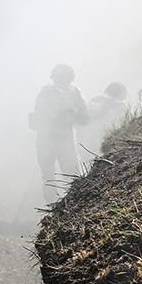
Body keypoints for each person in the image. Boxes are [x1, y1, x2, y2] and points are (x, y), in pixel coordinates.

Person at [29, 63, 88, 202]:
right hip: (61, 140)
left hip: (47, 140)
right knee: (70, 176)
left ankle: (54, 209)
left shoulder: (44, 92)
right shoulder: (73, 92)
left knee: (50, 177)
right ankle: (71, 207)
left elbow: (37, 118)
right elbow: (84, 117)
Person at [79, 81, 129, 160]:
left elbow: (123, 121)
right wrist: (106, 105)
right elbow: (90, 114)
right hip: (91, 138)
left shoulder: (121, 106)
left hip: (107, 139)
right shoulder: (97, 100)